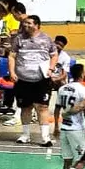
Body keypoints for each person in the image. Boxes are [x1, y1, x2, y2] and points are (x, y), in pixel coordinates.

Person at [9, 15, 58, 146]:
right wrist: (12, 72)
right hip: (23, 79)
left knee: (42, 107)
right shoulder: (19, 39)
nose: (26, 25)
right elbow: (12, 56)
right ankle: (25, 135)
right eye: (25, 23)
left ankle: (45, 137)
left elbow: (54, 55)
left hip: (41, 79)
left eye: (29, 23)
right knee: (25, 107)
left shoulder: (46, 39)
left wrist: (51, 69)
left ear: (37, 25)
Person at [54, 64, 85, 169]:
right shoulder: (84, 90)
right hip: (77, 129)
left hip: (64, 128)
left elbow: (57, 108)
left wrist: (56, 127)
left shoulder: (62, 88)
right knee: (83, 160)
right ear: (82, 74)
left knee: (67, 159)